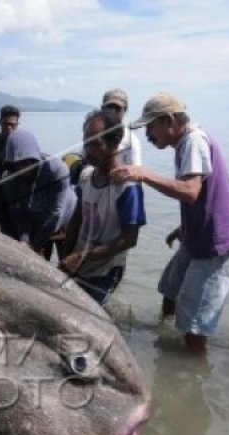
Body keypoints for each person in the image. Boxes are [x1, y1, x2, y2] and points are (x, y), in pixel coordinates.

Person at [111, 92, 229, 351]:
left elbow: (190, 191)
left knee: (194, 324)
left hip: (215, 244)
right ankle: (165, 338)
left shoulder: (193, 141)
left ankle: (191, 369)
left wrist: (143, 174)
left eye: (150, 126)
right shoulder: (186, 142)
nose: (148, 134)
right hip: (197, 235)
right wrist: (185, 226)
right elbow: (207, 192)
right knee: (170, 289)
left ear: (168, 121)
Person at [59, 110, 146, 305]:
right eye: (86, 143)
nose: (88, 150)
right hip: (78, 263)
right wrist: (66, 256)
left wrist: (83, 256)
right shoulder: (86, 176)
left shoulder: (128, 188)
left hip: (105, 270)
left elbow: (129, 240)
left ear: (115, 142)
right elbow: (76, 219)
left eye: (95, 144)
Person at [1, 128, 77, 257]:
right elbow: (19, 214)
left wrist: (35, 246)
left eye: (27, 162)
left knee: (67, 264)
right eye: (17, 164)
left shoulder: (56, 170)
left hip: (66, 221)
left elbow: (55, 214)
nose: (22, 168)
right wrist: (25, 240)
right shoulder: (9, 180)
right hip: (37, 223)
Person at [97, 89, 143, 167]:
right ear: (102, 109)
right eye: (109, 107)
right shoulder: (93, 133)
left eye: (117, 108)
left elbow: (136, 173)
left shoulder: (131, 141)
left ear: (125, 110)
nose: (113, 112)